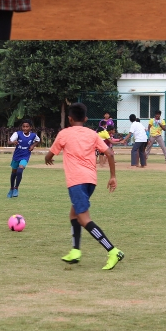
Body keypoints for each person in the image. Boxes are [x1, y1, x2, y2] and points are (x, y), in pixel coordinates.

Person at [45, 102, 124, 270]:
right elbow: (109, 152)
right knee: (74, 215)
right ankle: (75, 251)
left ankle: (112, 250)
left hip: (76, 181)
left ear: (70, 119)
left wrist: (48, 158)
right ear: (86, 119)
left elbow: (50, 154)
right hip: (90, 181)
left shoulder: (64, 133)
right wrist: (112, 176)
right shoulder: (92, 134)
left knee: (83, 218)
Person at [7, 119, 39, 198]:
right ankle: (11, 188)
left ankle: (16, 188)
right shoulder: (17, 134)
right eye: (23, 126)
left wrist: (33, 146)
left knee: (20, 170)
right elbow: (9, 142)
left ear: (30, 127)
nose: (25, 128)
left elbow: (38, 140)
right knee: (14, 173)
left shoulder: (33, 135)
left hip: (25, 156)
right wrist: (13, 142)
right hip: (16, 156)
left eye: (27, 127)